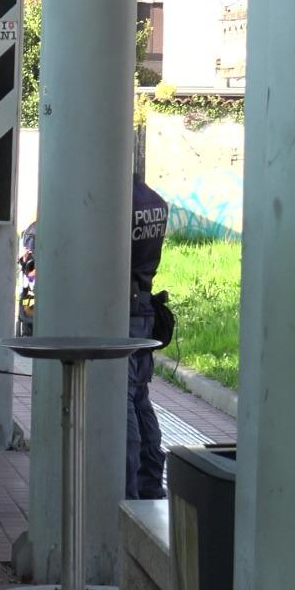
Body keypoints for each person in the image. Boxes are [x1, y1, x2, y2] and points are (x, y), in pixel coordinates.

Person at [126, 175, 169, 499]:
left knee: (123, 403)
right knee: (140, 400)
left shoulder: (117, 205)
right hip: (144, 310)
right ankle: (152, 485)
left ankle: (128, 490)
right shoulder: (154, 202)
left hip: (122, 316)